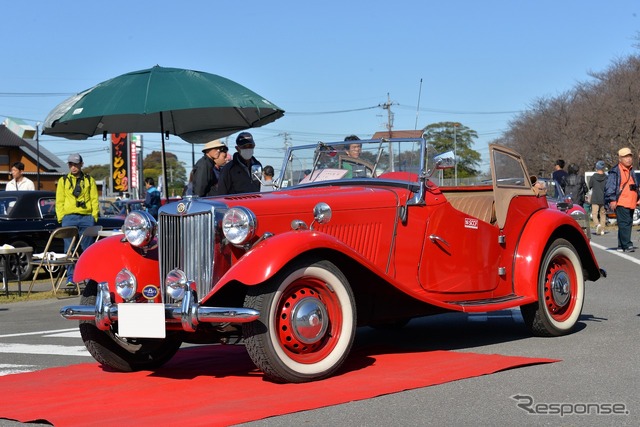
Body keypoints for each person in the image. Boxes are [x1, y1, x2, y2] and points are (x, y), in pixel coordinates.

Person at [55, 153, 99, 286]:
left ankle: (89, 276)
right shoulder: (63, 180)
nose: (73, 167)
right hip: (69, 217)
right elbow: (59, 200)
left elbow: (94, 199)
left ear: (81, 164)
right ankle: (71, 277)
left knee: (88, 248)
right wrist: (61, 217)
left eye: (75, 164)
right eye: (70, 164)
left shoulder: (89, 180)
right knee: (69, 248)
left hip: (86, 217)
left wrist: (94, 216)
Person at [604, 147, 640, 253]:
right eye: (625, 157)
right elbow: (610, 187)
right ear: (620, 159)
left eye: (630, 156)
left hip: (631, 201)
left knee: (626, 223)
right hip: (621, 201)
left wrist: (637, 198)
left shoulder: (631, 170)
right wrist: (612, 200)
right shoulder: (615, 171)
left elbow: (635, 186)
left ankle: (621, 245)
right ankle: (627, 244)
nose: (628, 159)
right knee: (624, 223)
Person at [588, 160, 607, 235]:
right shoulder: (606, 177)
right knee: (603, 214)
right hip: (604, 198)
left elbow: (590, 186)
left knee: (594, 214)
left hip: (595, 197)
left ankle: (597, 225)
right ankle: (602, 229)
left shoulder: (593, 177)